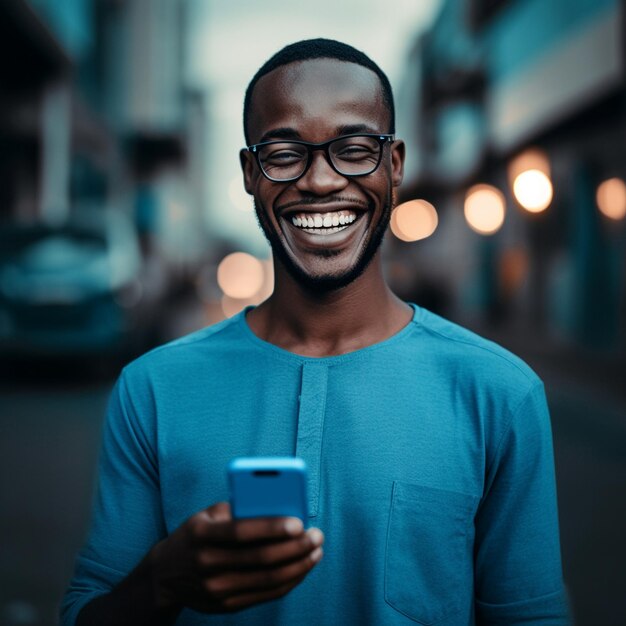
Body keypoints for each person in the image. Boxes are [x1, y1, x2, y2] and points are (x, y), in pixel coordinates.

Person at [61, 38, 570, 625]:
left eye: (355, 149)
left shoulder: (499, 394)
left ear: (395, 165)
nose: (321, 181)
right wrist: (161, 581)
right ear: (251, 173)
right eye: (283, 154)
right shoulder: (150, 390)